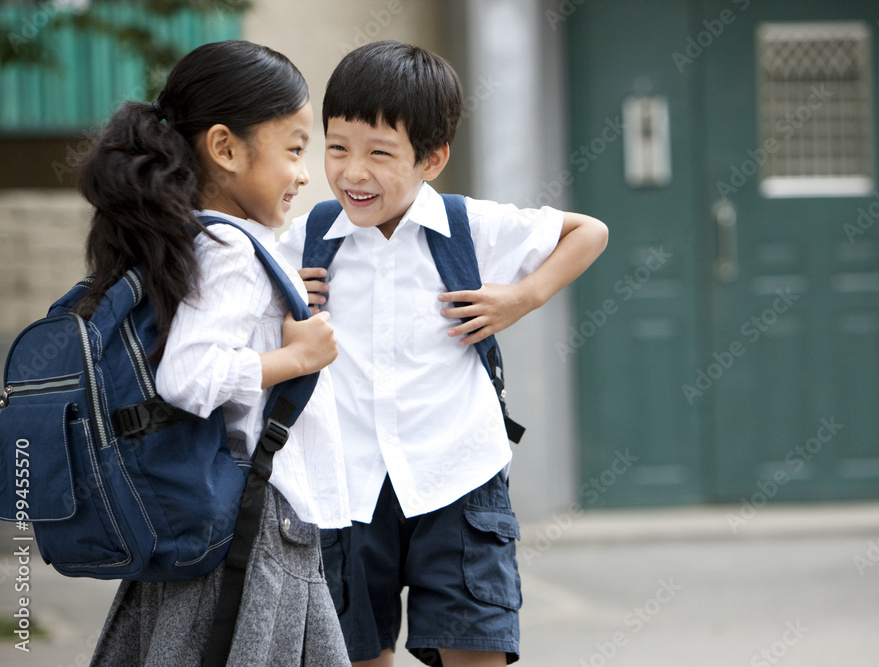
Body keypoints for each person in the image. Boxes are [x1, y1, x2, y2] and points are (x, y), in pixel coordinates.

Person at [277, 40, 609, 667]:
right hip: (342, 489)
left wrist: (520, 297)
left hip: (458, 480)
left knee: (476, 653)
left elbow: (589, 231)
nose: (352, 172)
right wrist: (285, 301)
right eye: (338, 147)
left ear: (431, 158)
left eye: (380, 153)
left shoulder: (470, 227)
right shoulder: (305, 238)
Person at [77, 40, 351, 666]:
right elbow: (189, 376)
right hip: (252, 529)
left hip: (217, 519)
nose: (305, 172)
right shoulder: (230, 250)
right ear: (225, 148)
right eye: (293, 148)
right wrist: (298, 357)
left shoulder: (193, 241)